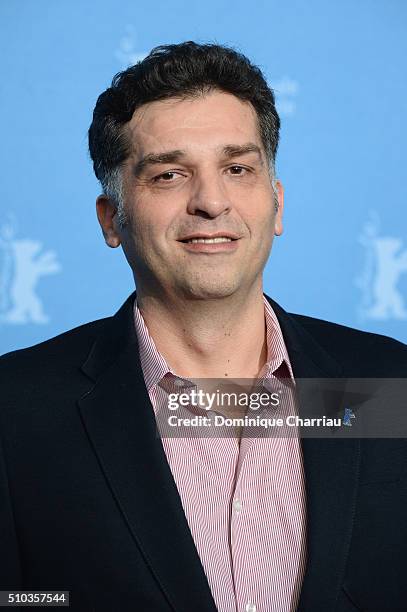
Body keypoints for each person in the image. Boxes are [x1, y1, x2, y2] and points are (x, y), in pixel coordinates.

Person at [1, 41, 406, 612]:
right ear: (112, 219)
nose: (211, 201)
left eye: (238, 168)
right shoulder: (16, 410)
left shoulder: (388, 387)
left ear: (276, 202)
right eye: (169, 175)